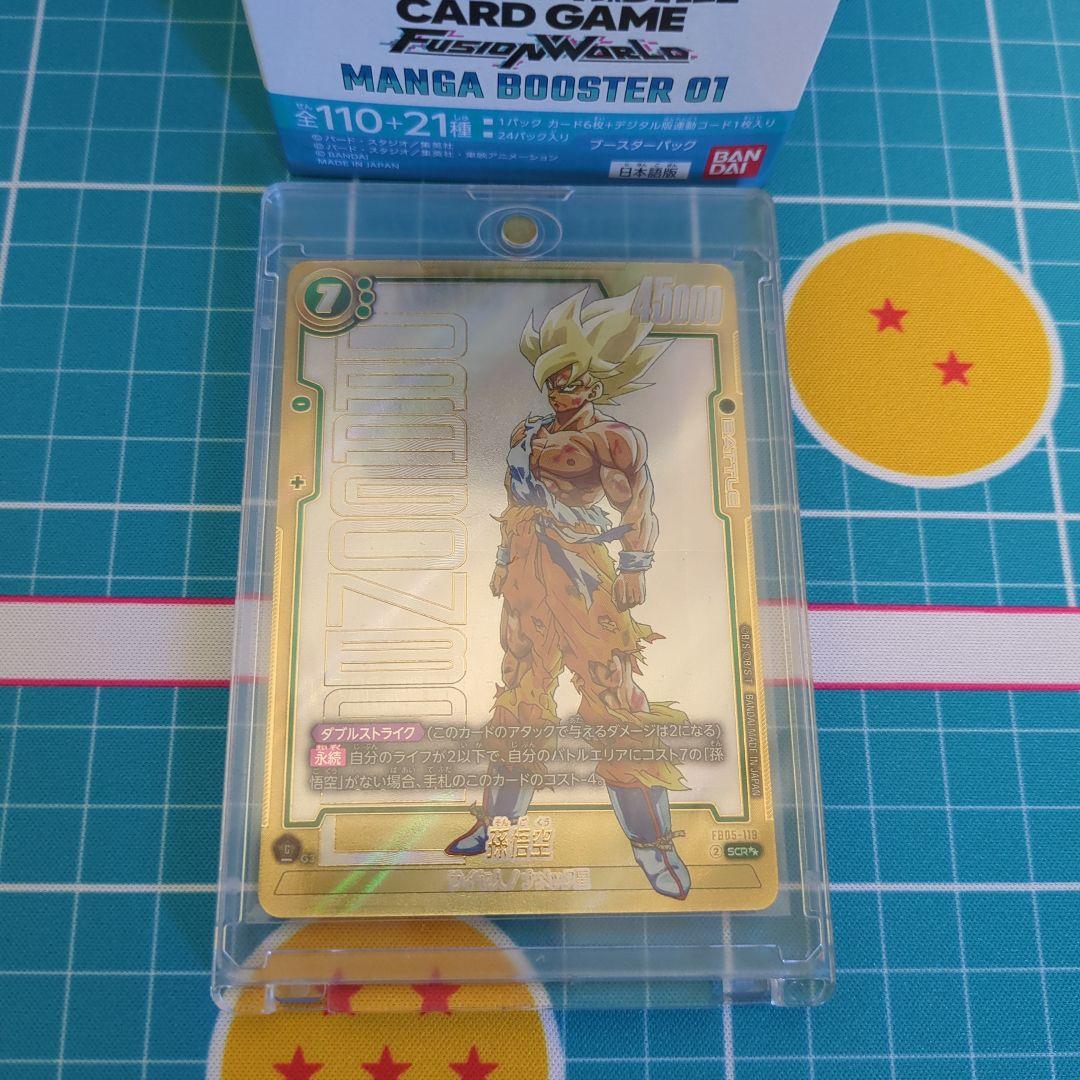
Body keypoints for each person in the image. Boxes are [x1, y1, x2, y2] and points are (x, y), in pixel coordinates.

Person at [445, 286, 692, 900]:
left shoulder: (614, 439)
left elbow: (638, 502)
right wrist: (503, 559)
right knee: (521, 689)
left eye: (573, 380)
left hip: (583, 566)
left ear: (594, 383)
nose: (561, 390)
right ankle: (496, 822)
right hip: (528, 567)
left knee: (612, 695)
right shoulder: (527, 433)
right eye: (553, 380)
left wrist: (634, 564)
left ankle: (654, 843)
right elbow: (514, 500)